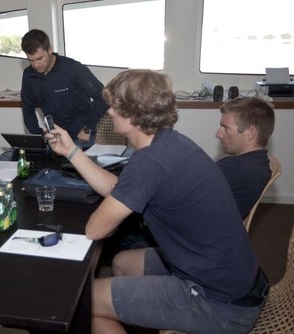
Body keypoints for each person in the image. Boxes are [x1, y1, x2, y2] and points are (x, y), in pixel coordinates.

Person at [44, 69, 268, 333]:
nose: (109, 112)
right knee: (121, 262)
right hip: (236, 279)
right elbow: (120, 188)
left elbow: (95, 229)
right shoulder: (170, 142)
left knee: (81, 301)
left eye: (115, 106)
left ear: (134, 114)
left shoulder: (149, 162)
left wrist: (111, 215)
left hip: (222, 304)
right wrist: (71, 151)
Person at [20, 29, 108, 148]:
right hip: (55, 139)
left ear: (50, 50)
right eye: (31, 60)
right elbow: (27, 109)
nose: (35, 65)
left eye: (40, 59)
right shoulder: (29, 75)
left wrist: (87, 128)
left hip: (80, 137)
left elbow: (103, 97)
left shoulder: (72, 68)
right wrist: (39, 136)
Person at [215, 96, 275, 219]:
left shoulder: (233, 169)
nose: (218, 134)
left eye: (225, 128)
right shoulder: (261, 163)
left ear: (250, 133)